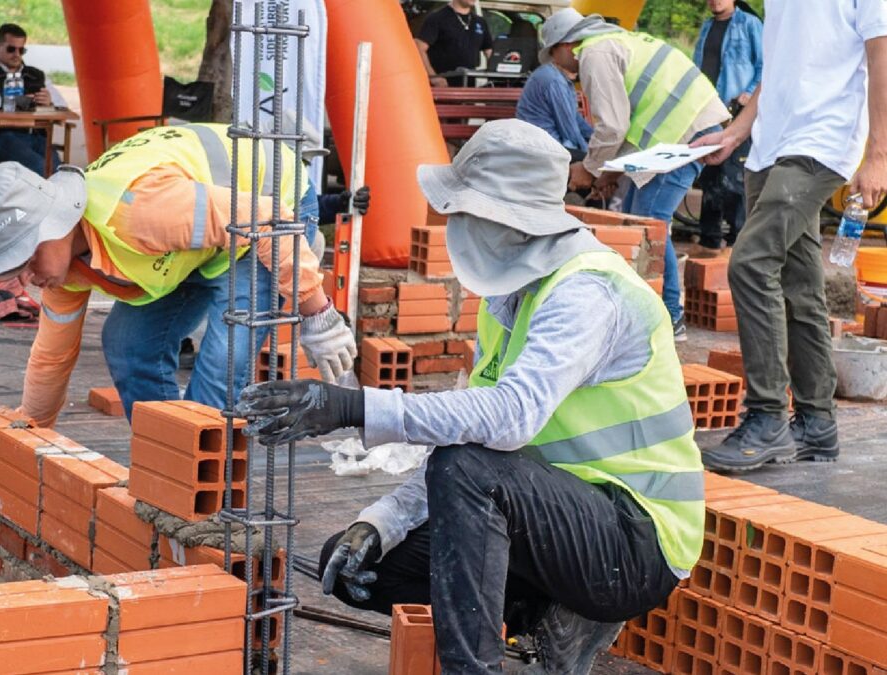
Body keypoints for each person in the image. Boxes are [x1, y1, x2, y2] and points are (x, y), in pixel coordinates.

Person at [237, 120, 705, 674]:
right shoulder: (508, 294)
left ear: (504, 216)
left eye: (463, 210)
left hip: (634, 542)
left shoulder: (587, 293)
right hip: (557, 522)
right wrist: (382, 520)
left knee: (468, 467)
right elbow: (472, 429)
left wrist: (352, 406)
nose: (452, 222)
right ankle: (548, 613)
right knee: (362, 567)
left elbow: (508, 420)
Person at [0, 123, 358, 427]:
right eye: (17, 267)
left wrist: (316, 311)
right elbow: (51, 358)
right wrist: (30, 431)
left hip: (269, 212)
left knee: (218, 372)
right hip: (197, 240)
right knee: (128, 344)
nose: (28, 279)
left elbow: (267, 221)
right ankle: (166, 463)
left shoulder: (139, 211)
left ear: (57, 223)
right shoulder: (64, 271)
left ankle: (202, 499)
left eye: (27, 259)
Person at [693, 0, 887, 472]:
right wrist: (737, 132)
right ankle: (817, 422)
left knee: (750, 263)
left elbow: (881, 52)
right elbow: (781, 65)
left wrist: (879, 152)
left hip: (821, 141)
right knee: (801, 289)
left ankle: (766, 418)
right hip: (771, 145)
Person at [544, 8, 730, 341]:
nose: (557, 63)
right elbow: (634, 118)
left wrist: (588, 168)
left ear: (567, 44)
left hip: (685, 131)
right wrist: (610, 173)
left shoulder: (594, 54)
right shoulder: (613, 41)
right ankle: (643, 309)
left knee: (649, 223)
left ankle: (669, 317)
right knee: (633, 220)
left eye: (554, 54)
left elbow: (612, 126)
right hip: (683, 128)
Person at [691, 0, 763, 255]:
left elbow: (765, 65)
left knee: (734, 178)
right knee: (710, 176)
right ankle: (709, 241)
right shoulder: (707, 26)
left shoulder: (749, 24)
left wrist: (749, 93)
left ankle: (736, 243)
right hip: (709, 110)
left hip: (737, 113)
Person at [0, 23, 68, 177]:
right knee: (40, 168)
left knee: (58, 173)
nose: (17, 54)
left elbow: (63, 107)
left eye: (21, 50)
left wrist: (50, 103)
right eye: (11, 49)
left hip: (36, 136)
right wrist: (14, 102)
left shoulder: (36, 75)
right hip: (1, 136)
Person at [515, 61, 593, 161]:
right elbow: (569, 130)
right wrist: (590, 153)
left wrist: (596, 138)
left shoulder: (555, 75)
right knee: (595, 163)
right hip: (543, 147)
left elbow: (576, 119)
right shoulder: (554, 80)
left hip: (544, 144)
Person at [415, 0, 494, 87]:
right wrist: (433, 77)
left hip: (468, 88)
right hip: (442, 88)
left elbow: (491, 53)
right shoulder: (437, 18)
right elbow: (419, 48)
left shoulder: (480, 22)